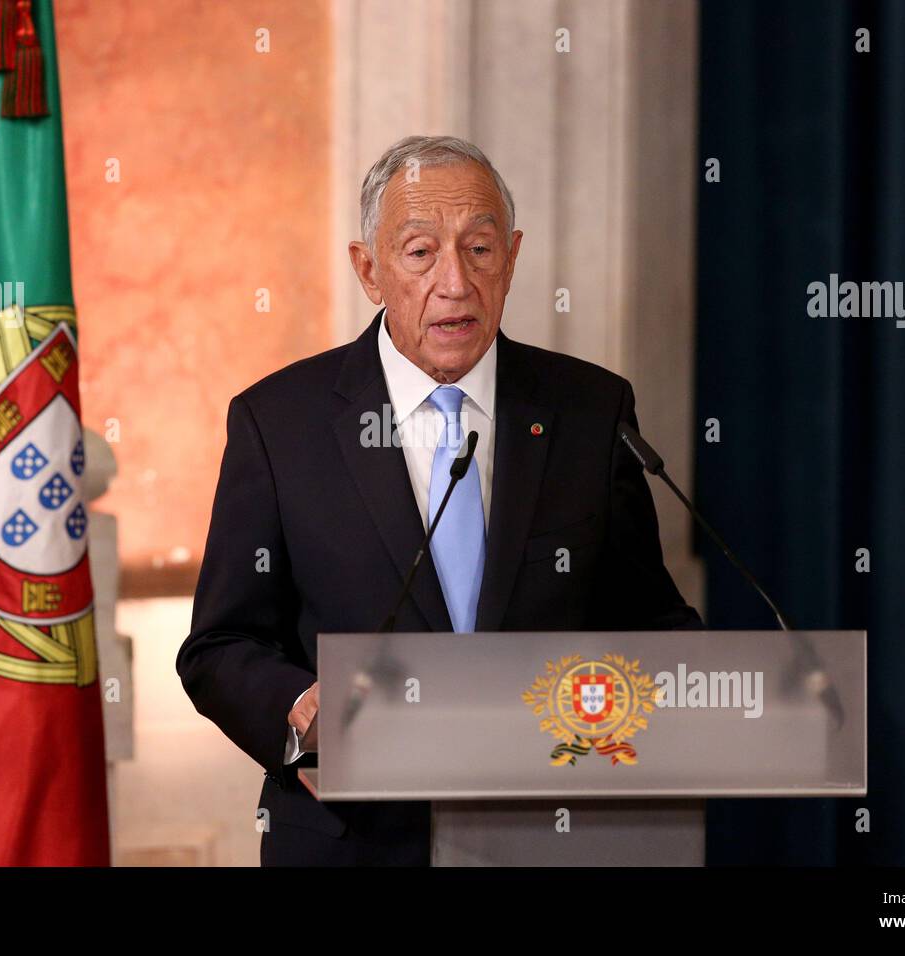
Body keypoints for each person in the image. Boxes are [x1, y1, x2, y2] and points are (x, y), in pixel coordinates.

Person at [176, 135, 701, 866]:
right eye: (420, 252)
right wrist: (299, 708)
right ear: (369, 269)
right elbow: (218, 646)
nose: (455, 283)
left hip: (554, 831)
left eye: (480, 250)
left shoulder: (589, 410)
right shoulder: (280, 423)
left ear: (512, 258)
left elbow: (646, 620)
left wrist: (735, 683)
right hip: (351, 841)